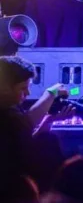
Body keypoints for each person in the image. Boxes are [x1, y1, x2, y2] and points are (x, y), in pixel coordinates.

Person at [0, 56, 72, 188]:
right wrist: (50, 94)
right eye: (22, 88)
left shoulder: (14, 109)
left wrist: (48, 120)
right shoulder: (7, 114)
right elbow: (25, 124)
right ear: (4, 88)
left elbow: (26, 141)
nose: (27, 93)